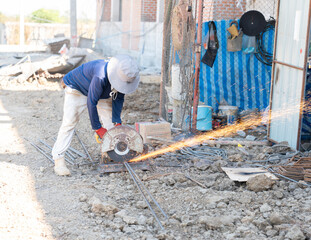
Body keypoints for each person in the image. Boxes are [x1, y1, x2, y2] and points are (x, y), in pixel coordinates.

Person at [52, 55, 140, 176]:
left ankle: (112, 154)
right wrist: (98, 128)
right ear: (117, 75)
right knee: (69, 123)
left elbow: (118, 99)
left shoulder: (123, 77)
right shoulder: (100, 75)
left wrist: (117, 121)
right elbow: (91, 102)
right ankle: (58, 160)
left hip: (101, 92)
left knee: (111, 125)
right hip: (77, 88)